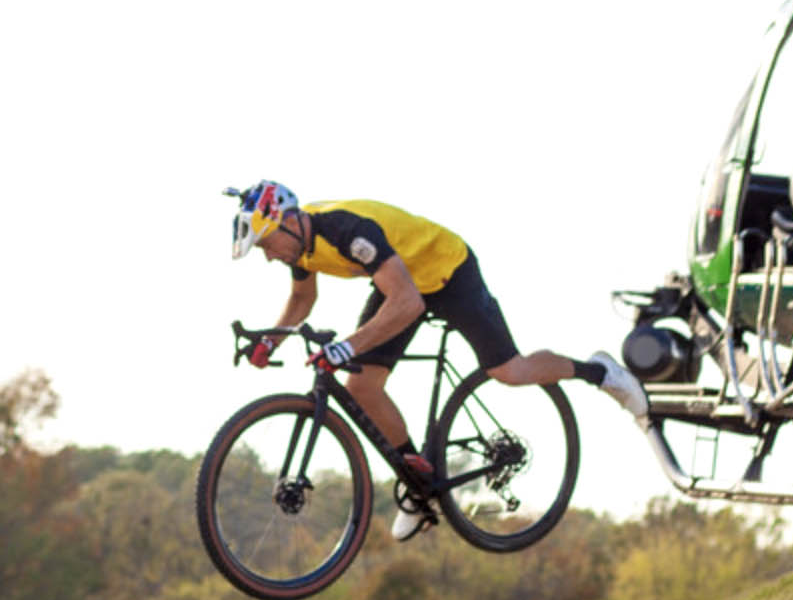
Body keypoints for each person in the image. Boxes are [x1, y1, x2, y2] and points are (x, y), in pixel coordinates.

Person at [227, 180, 649, 543]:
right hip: (400, 280)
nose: (268, 255)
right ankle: (419, 483)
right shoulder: (299, 248)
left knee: (508, 371)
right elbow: (303, 299)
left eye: (267, 244)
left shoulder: (345, 229)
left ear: (288, 220)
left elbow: (407, 302)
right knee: (361, 386)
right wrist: (270, 342)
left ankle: (601, 372)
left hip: (447, 272)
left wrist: (348, 346)